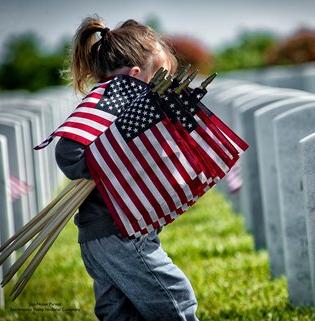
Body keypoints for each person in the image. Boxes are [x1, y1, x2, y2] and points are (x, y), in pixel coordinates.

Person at [55, 15, 199, 321]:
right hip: (120, 234)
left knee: (120, 313)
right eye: (159, 78)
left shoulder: (123, 101)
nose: (164, 87)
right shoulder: (113, 99)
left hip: (105, 233)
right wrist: (109, 163)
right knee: (177, 303)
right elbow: (69, 150)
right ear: (136, 75)